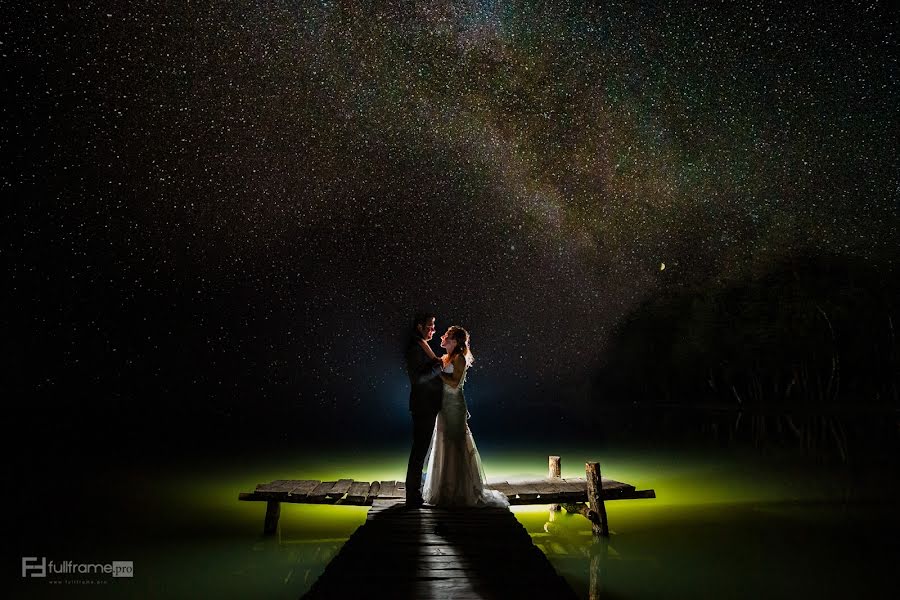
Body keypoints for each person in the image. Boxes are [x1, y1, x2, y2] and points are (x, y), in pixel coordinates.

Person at [421, 326, 508, 507]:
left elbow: (453, 383)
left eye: (447, 335)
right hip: (443, 407)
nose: (443, 336)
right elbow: (434, 360)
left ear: (455, 341)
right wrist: (422, 344)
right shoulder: (446, 357)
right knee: (443, 443)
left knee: (456, 444)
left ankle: (460, 491)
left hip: (455, 406)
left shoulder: (459, 358)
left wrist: (438, 374)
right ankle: (444, 489)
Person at [404, 312, 443, 508]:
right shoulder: (414, 347)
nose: (434, 330)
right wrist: (440, 366)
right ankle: (412, 495)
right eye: (431, 326)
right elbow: (418, 379)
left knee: (421, 450)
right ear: (420, 326)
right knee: (419, 451)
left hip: (428, 406)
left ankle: (414, 492)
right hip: (423, 406)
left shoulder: (421, 344)